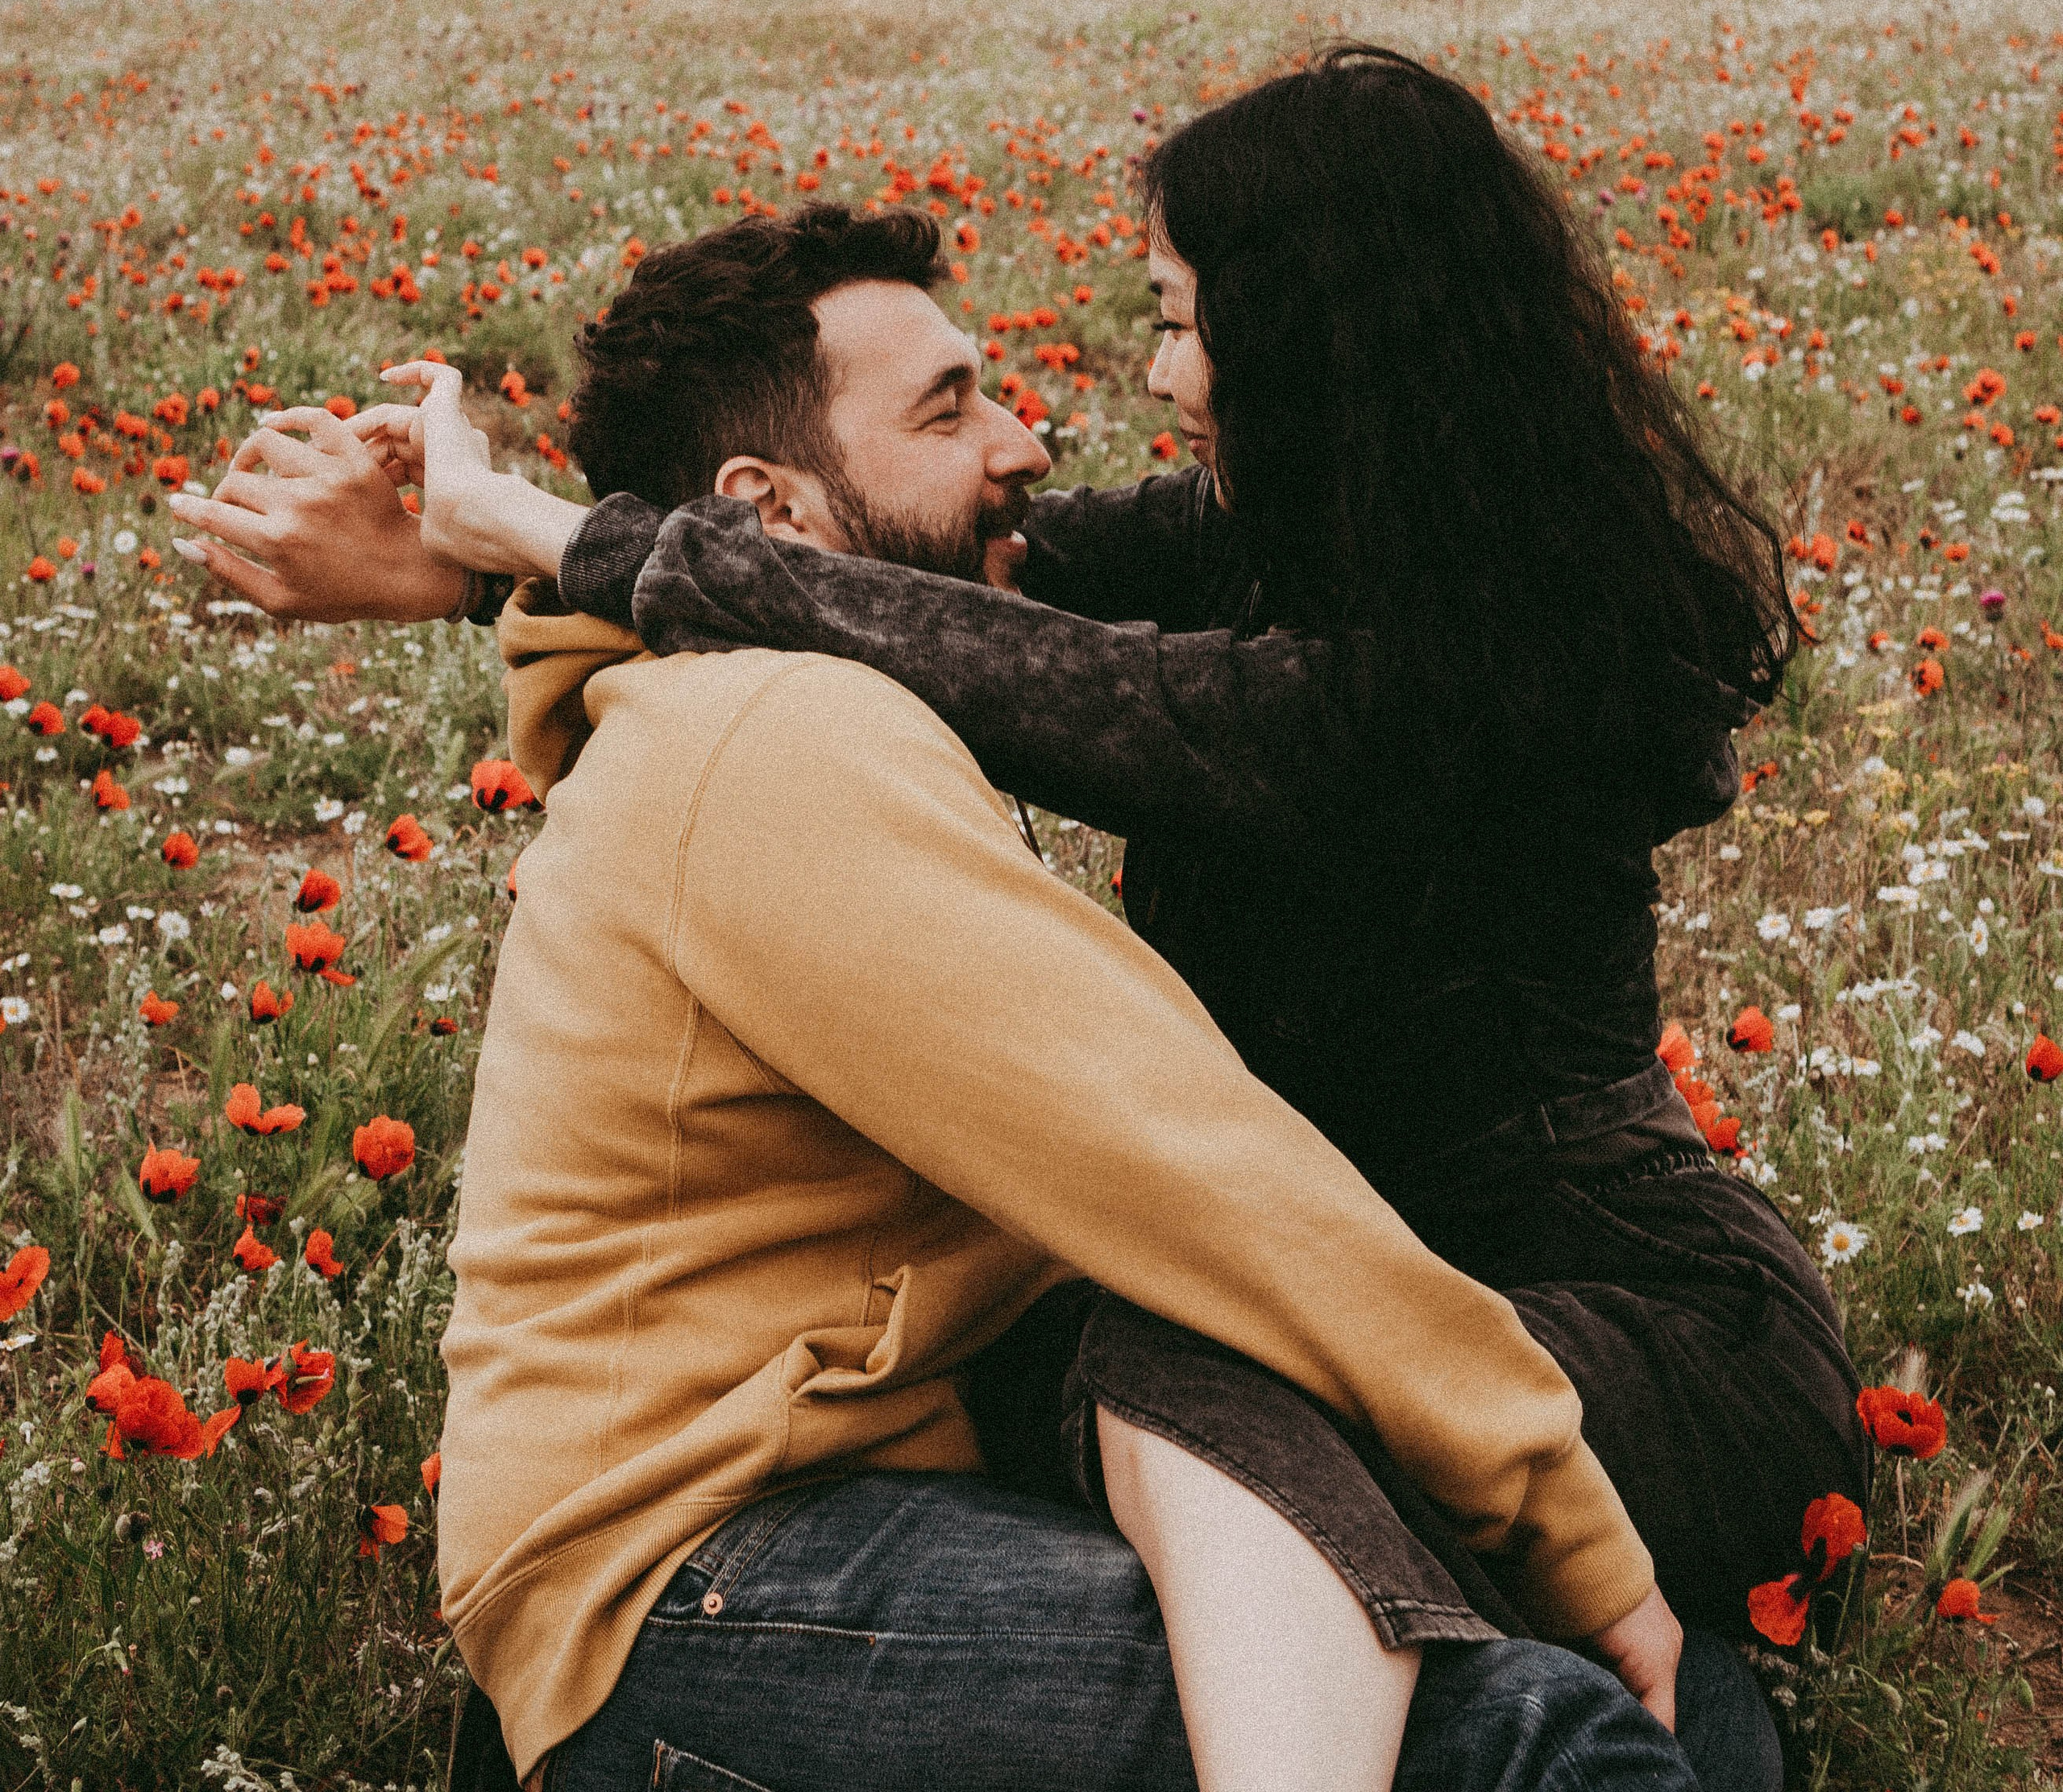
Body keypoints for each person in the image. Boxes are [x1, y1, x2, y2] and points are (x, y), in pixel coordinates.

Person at [168, 209, 1760, 1792]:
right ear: (761, 514)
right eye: (947, 408)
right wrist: (1560, 1514)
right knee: (1525, 1745)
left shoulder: (761, 706)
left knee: (1679, 1710)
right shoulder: (777, 736)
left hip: (818, 1527)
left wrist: (486, 560)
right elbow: (1176, 1154)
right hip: (698, 1599)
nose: (1024, 438)